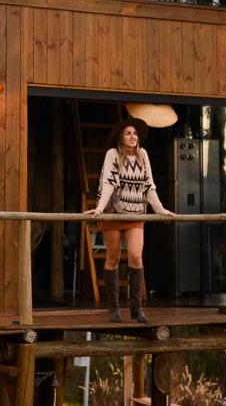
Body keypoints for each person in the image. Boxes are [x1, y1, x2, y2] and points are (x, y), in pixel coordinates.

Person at [84, 117, 174, 323]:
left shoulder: (143, 155)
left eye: (135, 133)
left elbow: (149, 187)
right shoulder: (113, 154)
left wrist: (161, 210)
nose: (133, 137)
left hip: (135, 214)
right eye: (128, 133)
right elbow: (108, 183)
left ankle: (136, 308)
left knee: (136, 257)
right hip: (114, 213)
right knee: (113, 259)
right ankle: (113, 308)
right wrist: (99, 208)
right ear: (120, 137)